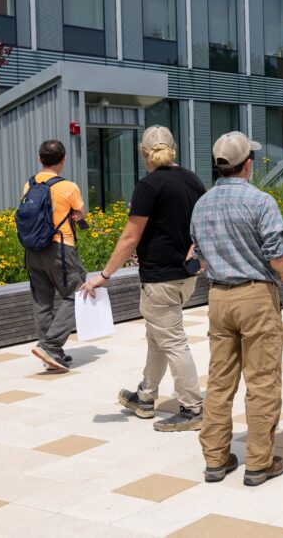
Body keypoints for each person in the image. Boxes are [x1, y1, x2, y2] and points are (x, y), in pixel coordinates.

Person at [81, 126, 206, 432]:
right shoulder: (192, 179)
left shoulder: (148, 186)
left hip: (160, 278)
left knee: (172, 341)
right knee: (158, 337)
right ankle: (146, 396)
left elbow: (129, 238)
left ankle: (193, 407)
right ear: (174, 148)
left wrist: (104, 275)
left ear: (143, 154)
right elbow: (203, 223)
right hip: (186, 277)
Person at [189, 132, 283, 485]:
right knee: (262, 380)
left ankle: (216, 459)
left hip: (218, 297)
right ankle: (259, 462)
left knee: (220, 381)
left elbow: (199, 257)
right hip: (255, 296)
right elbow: (277, 256)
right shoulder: (261, 201)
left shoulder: (201, 204)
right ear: (247, 163)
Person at [23, 140, 86, 372]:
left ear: (40, 158)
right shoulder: (68, 186)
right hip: (61, 248)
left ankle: (51, 354)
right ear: (64, 159)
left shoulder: (29, 185)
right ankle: (50, 346)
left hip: (33, 250)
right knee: (77, 295)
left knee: (42, 301)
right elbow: (80, 212)